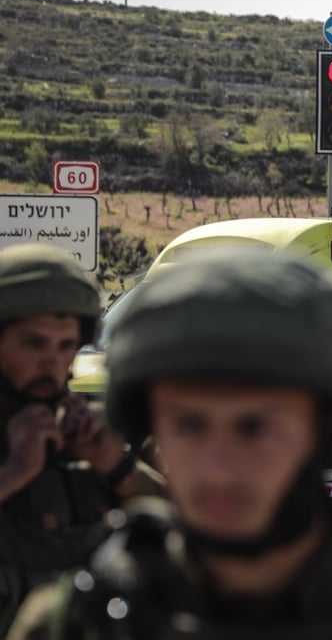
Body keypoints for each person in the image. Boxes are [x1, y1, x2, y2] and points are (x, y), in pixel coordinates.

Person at [9, 251, 332, 640]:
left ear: (329, 436)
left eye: (255, 428)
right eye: (187, 426)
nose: (218, 465)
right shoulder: (72, 624)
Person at [0, 244, 157, 636]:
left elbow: (199, 535)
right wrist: (13, 473)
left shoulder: (94, 433)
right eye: (33, 344)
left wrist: (118, 468)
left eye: (65, 345)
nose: (52, 363)